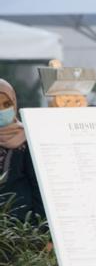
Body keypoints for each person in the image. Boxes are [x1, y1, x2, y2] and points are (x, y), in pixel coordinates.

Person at [0, 79, 44, 222]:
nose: (2, 110)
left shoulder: (27, 138)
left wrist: (41, 229)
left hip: (21, 227)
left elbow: (39, 186)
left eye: (7, 105)